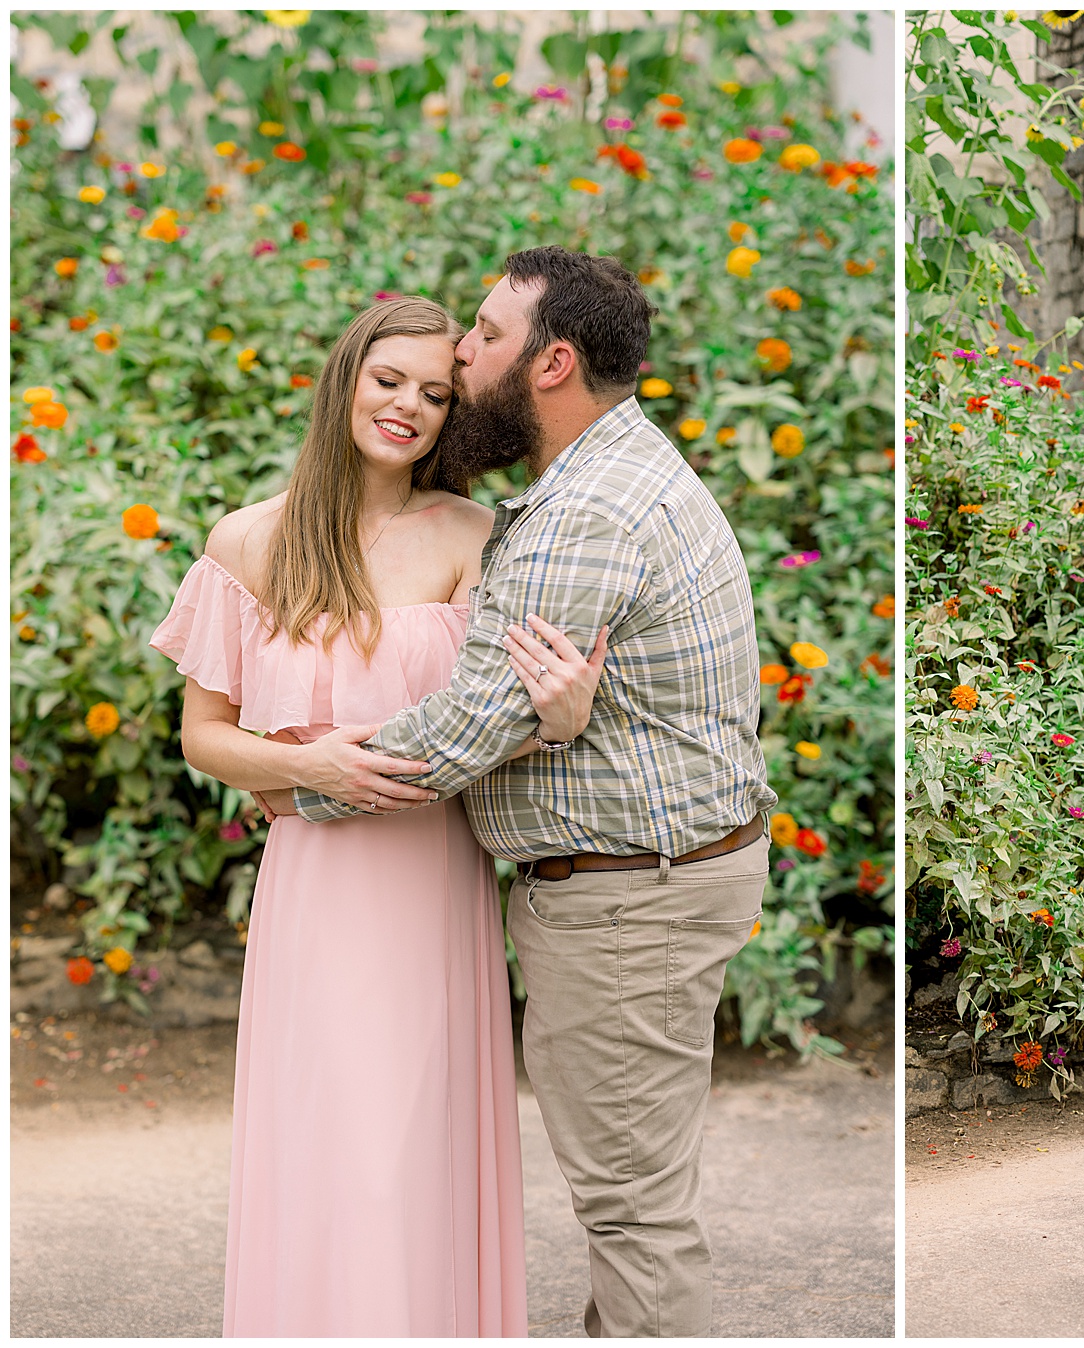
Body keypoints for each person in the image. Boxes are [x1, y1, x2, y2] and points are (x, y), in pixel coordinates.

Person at [263, 247, 779, 1336]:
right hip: (657, 875)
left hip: (631, 899)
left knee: (634, 1210)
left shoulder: (583, 514)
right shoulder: (609, 474)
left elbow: (460, 731)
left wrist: (302, 787)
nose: (458, 352)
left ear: (549, 363)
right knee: (637, 1194)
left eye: (484, 338)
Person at [150, 295, 609, 1335]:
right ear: (345, 379)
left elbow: (507, 721)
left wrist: (563, 715)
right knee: (325, 1143)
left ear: (454, 414)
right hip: (316, 883)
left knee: (411, 1147)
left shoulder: (474, 537)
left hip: (432, 881)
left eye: (436, 392)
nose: (408, 405)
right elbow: (202, 735)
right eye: (389, 379)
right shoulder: (251, 541)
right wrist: (304, 760)